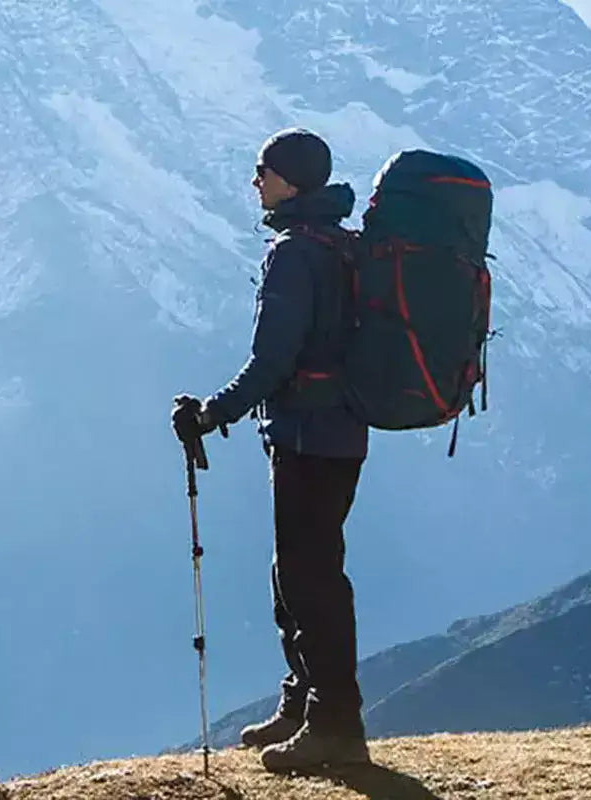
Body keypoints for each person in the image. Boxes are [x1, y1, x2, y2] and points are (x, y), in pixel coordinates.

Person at [171, 127, 371, 771]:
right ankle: (305, 701)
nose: (256, 180)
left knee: (310, 580)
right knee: (298, 573)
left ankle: (335, 726)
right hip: (339, 431)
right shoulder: (342, 245)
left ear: (292, 180)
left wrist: (212, 413)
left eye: (264, 170)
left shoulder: (294, 254)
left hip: (309, 436)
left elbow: (272, 360)